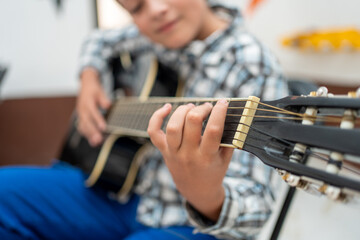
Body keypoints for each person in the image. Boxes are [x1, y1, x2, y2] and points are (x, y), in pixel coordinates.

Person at [0, 0, 289, 239]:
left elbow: (256, 209)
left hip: (188, 223)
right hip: (122, 194)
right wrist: (89, 76)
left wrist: (205, 193)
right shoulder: (149, 36)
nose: (155, 10)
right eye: (136, 8)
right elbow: (98, 40)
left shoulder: (254, 66)